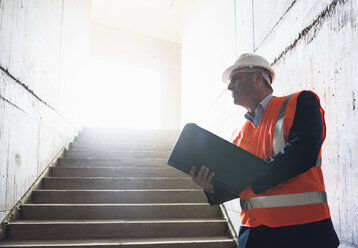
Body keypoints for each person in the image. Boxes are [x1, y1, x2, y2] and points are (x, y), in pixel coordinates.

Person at [189, 53, 340, 248]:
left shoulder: (299, 102)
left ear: (258, 77)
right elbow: (235, 185)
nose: (229, 87)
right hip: (253, 234)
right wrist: (211, 186)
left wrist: (249, 176)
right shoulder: (238, 136)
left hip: (303, 232)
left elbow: (303, 153)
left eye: (235, 78)